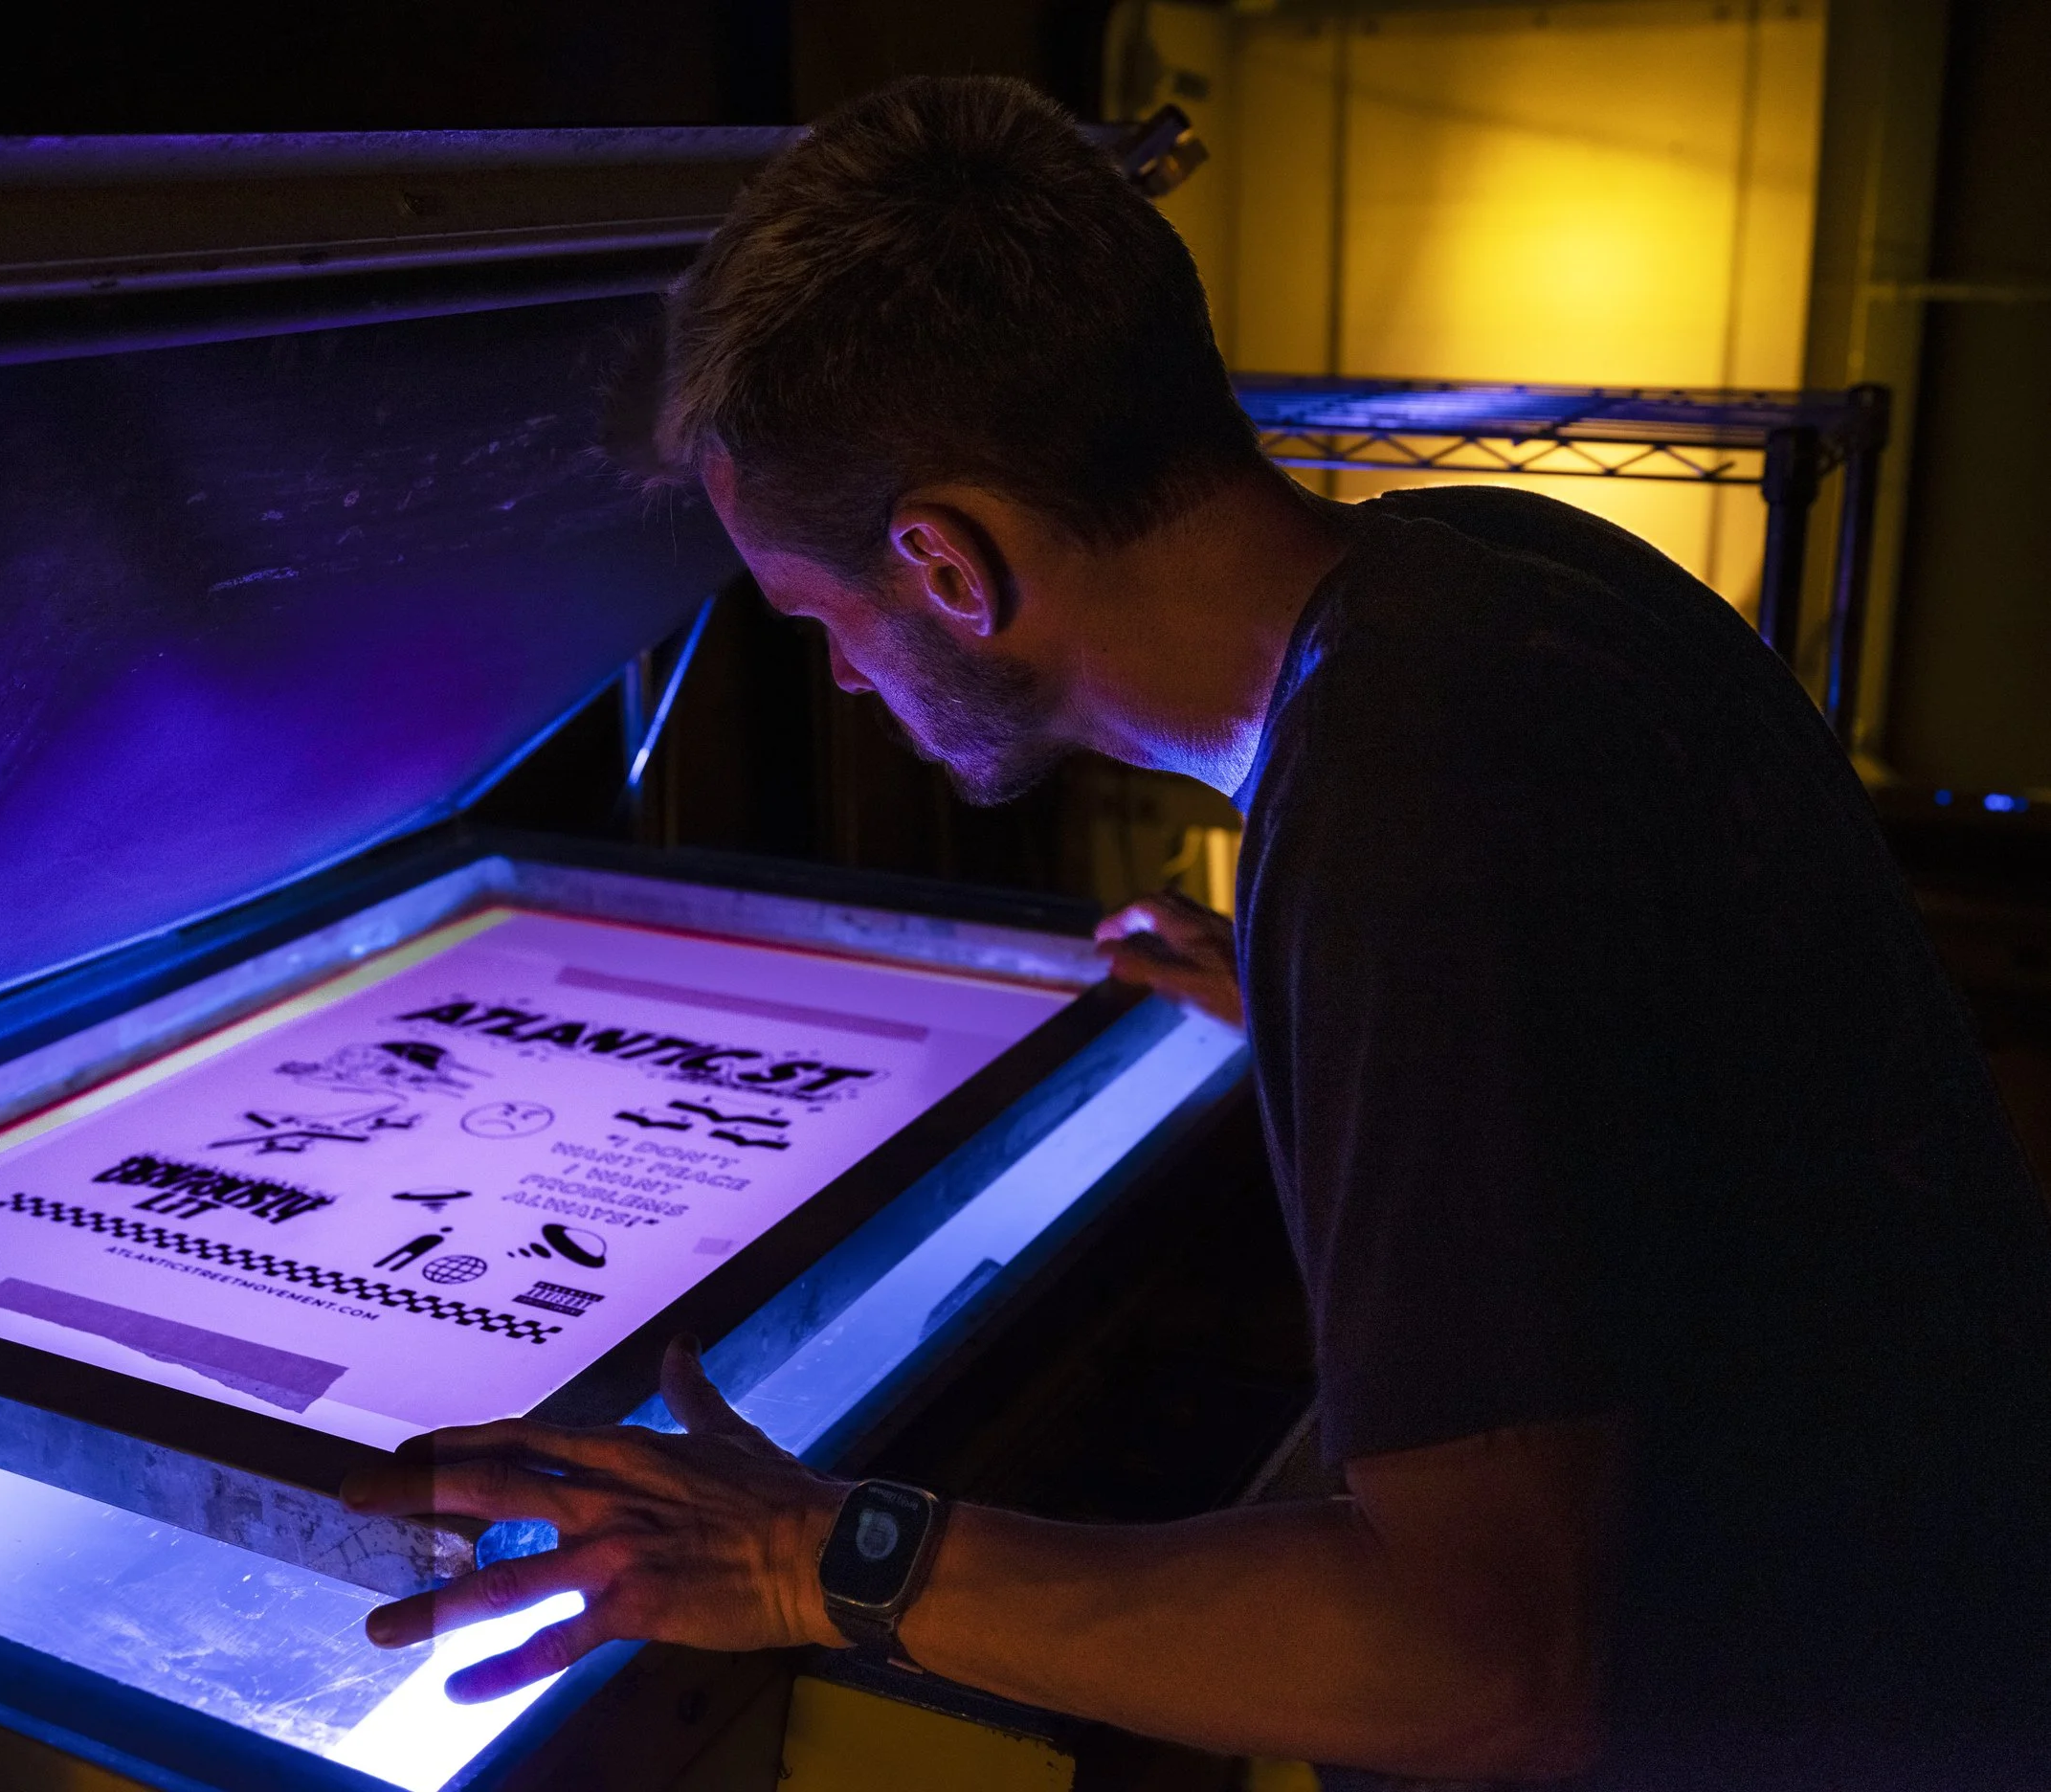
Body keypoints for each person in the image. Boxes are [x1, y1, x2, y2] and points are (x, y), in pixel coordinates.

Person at [339, 77, 2051, 1787]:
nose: (845, 677)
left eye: (818, 616)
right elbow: (1632, 1044)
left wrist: (807, 1555)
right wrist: (1332, 1020)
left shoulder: (1414, 810)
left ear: (946, 564)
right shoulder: (1495, 578)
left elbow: (1480, 1671)